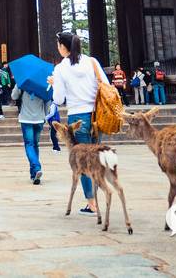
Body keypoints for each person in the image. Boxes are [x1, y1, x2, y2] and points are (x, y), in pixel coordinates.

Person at [48, 31, 108, 215]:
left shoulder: (61, 68)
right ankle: (97, 198)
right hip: (97, 116)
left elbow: (58, 99)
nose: (58, 48)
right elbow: (105, 84)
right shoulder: (92, 61)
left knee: (82, 163)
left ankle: (92, 204)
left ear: (63, 47)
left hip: (77, 118)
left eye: (58, 45)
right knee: (96, 158)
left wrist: (53, 82)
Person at [12, 83, 49, 184]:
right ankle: (34, 175)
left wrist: (17, 84)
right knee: (35, 145)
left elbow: (14, 96)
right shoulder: (42, 84)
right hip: (39, 119)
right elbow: (47, 101)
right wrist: (45, 115)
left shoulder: (23, 83)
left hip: (26, 119)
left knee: (29, 145)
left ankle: (36, 168)